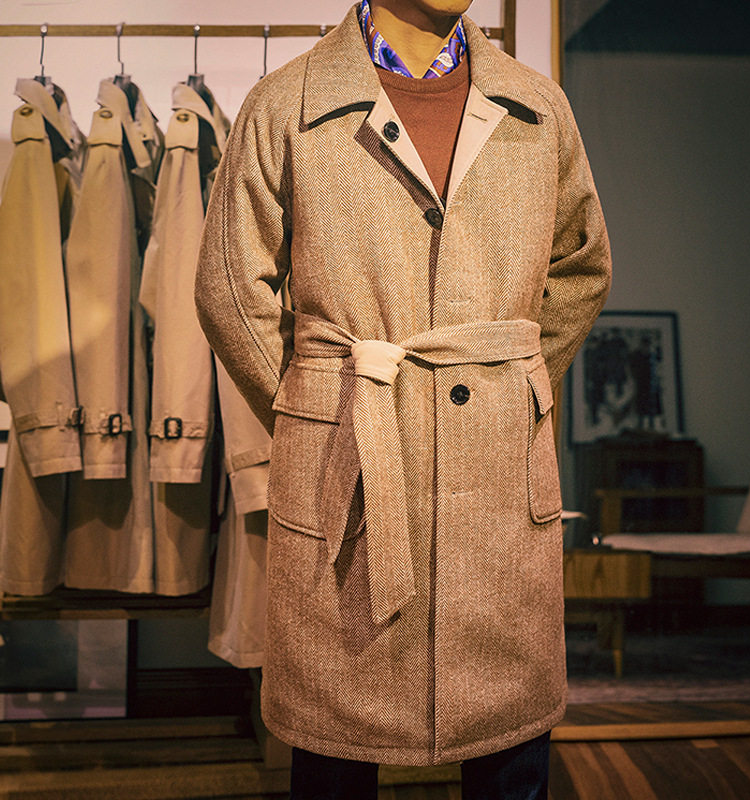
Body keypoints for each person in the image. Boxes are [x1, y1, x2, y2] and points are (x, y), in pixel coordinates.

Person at [195, 1, 611, 797]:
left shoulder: (539, 107)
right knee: (336, 745)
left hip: (497, 478)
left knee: (510, 751)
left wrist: (509, 390)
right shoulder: (287, 104)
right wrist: (319, 403)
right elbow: (228, 285)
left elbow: (582, 267)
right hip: (348, 461)